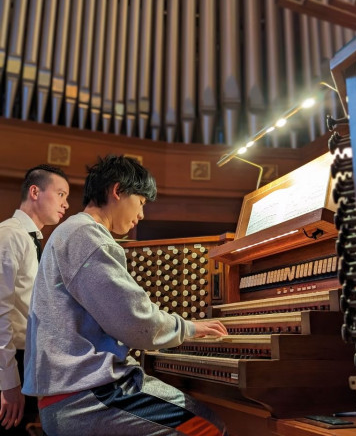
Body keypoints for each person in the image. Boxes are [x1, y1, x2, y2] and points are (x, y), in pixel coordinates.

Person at [23, 155, 229, 436]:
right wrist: (190, 327)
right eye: (142, 202)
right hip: (90, 396)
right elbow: (137, 324)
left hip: (68, 394)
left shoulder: (69, 232)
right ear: (118, 191)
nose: (142, 215)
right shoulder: (88, 236)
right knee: (207, 427)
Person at [0, 164, 70, 434]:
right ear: (34, 191)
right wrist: (8, 382)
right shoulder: (9, 235)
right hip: (11, 360)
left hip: (26, 359)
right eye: (61, 194)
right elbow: (1, 312)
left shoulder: (33, 238)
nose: (66, 204)